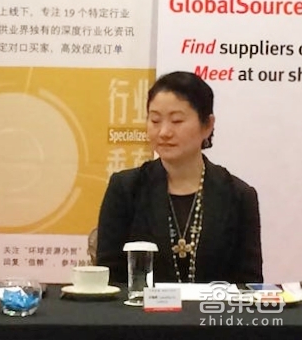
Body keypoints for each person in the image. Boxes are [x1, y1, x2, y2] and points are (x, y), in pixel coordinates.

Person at [96, 71, 262, 284]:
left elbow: (249, 284)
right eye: (155, 120)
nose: (164, 132)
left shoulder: (238, 195)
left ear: (207, 125)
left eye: (177, 120)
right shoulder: (126, 189)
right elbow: (108, 278)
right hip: (139, 306)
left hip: (215, 307)